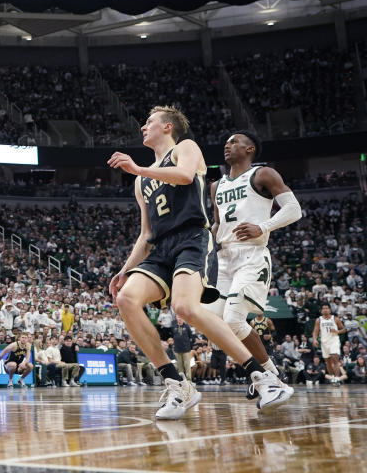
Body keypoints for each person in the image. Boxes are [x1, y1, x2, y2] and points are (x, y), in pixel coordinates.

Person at [107, 106, 291, 419]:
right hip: (162, 248)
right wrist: (124, 270)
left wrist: (138, 169)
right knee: (126, 299)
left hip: (193, 239)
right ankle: (178, 384)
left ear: (167, 127)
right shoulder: (141, 183)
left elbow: (184, 176)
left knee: (186, 308)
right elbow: (146, 233)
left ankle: (264, 377)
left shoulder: (185, 148)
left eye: (149, 122)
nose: (143, 127)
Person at [209, 131, 301, 400]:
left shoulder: (263, 174)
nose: (228, 145)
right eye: (225, 142)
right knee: (214, 325)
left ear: (250, 149)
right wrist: (208, 240)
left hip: (251, 254)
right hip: (223, 258)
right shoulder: (216, 186)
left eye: (234, 141)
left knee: (233, 320)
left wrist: (263, 226)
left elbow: (294, 209)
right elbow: (218, 223)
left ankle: (270, 377)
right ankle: (266, 377)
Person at [313, 304, 346, 385]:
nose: (325, 310)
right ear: (321, 310)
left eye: (327, 308)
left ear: (330, 310)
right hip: (324, 342)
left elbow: (344, 329)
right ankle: (332, 377)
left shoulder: (335, 318)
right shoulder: (319, 320)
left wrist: (337, 331)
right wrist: (315, 340)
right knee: (328, 361)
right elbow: (315, 331)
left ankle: (337, 378)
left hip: (334, 340)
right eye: (323, 308)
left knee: (335, 358)